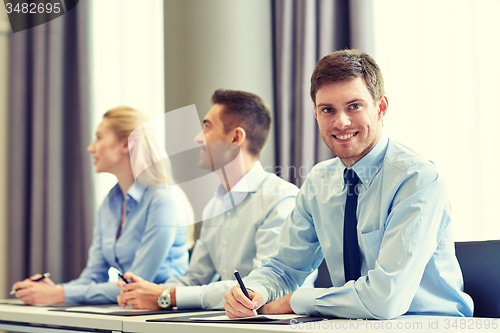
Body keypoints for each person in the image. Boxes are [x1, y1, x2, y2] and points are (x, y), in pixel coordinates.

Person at [224, 49, 474, 319]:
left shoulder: (418, 180)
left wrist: (295, 300)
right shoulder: (318, 181)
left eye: (354, 106)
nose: (341, 122)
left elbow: (384, 299)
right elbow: (285, 267)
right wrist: (253, 291)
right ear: (316, 114)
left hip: (429, 324)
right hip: (351, 323)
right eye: (328, 110)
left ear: (381, 108)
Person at [116, 89, 316, 310]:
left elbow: (258, 289)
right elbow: (194, 278)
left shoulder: (280, 200)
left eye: (207, 126)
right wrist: (147, 290)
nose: (198, 137)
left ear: (235, 137)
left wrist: (168, 295)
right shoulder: (216, 204)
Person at [11, 106, 192, 304]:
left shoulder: (163, 200)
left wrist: (59, 293)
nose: (91, 147)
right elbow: (93, 276)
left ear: (126, 144)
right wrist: (52, 289)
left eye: (98, 137)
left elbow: (136, 285)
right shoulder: (110, 203)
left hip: (164, 314)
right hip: (130, 312)